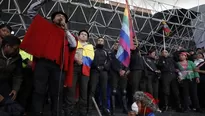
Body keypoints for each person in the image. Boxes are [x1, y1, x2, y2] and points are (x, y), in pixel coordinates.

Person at [20, 0, 77, 115]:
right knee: (38, 90)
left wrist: (66, 29)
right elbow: (31, 12)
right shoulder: (45, 26)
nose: (60, 17)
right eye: (58, 15)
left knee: (57, 93)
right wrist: (42, 1)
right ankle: (36, 112)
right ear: (53, 19)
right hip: (43, 63)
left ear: (66, 22)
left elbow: (74, 45)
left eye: (63, 17)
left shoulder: (67, 35)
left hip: (57, 67)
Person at [63, 30, 94, 116]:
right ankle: (68, 111)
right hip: (73, 68)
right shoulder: (74, 43)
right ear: (79, 36)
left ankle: (82, 112)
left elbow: (91, 58)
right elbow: (69, 54)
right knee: (71, 90)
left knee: (84, 91)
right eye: (82, 34)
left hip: (85, 69)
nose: (83, 35)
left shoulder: (90, 46)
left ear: (87, 37)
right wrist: (76, 59)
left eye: (85, 35)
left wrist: (81, 60)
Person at [0, 35, 24, 115]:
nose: (17, 51)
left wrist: (15, 89)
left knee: (10, 103)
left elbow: (18, 75)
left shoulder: (17, 58)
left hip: (4, 83)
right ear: (6, 46)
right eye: (15, 48)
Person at [87, 37, 110, 116]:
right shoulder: (93, 50)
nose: (100, 42)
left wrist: (104, 67)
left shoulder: (106, 51)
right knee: (92, 90)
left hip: (104, 72)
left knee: (104, 91)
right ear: (97, 42)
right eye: (99, 40)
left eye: (102, 41)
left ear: (104, 43)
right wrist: (96, 66)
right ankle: (89, 110)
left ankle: (104, 109)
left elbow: (109, 61)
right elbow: (90, 59)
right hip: (94, 71)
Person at [110, 42, 128, 115]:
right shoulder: (111, 54)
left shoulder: (124, 55)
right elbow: (112, 64)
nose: (117, 46)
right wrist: (118, 70)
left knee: (124, 91)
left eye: (119, 45)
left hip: (123, 74)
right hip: (114, 73)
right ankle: (113, 110)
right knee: (113, 91)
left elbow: (127, 63)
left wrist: (124, 70)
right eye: (116, 45)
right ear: (113, 46)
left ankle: (125, 108)